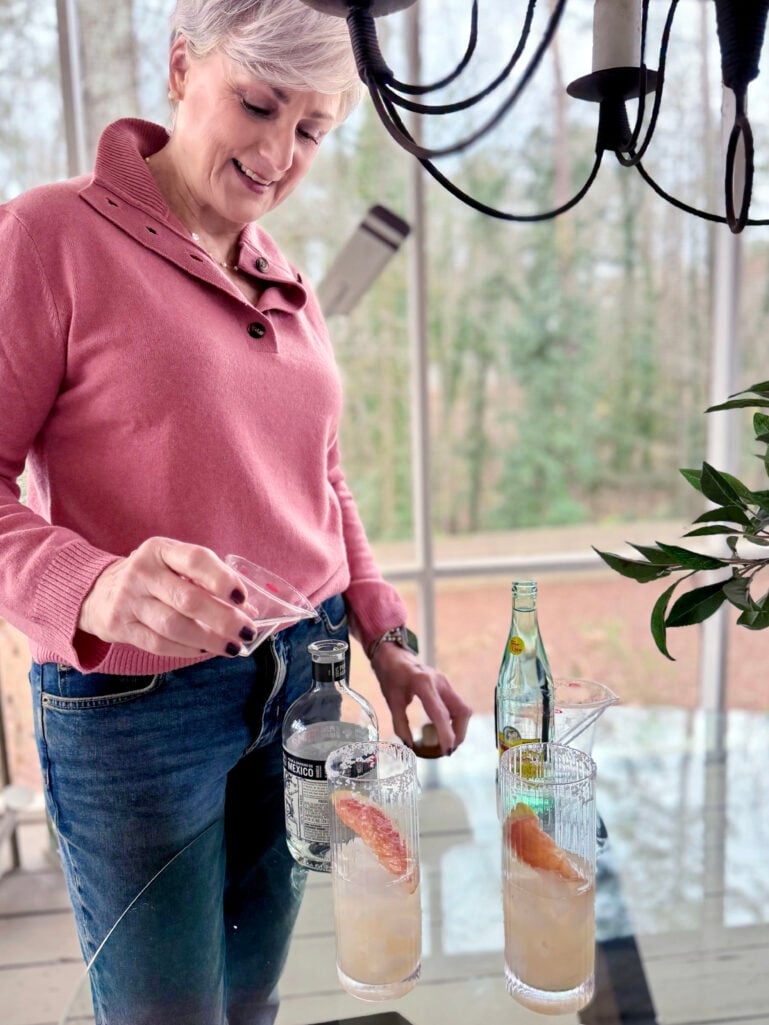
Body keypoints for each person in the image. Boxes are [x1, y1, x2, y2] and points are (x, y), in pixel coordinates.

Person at [0, 2, 472, 1022]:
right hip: (139, 714)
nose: (276, 152)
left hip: (301, 681)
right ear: (182, 67)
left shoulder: (283, 278)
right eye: (257, 104)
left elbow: (323, 480)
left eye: (310, 129)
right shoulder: (50, 233)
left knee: (253, 997)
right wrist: (94, 582)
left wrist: (386, 637)